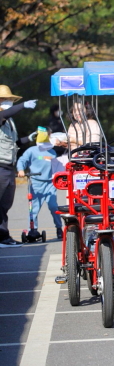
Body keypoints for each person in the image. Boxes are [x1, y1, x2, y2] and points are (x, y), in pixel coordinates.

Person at [0, 86, 39, 248]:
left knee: (4, 205)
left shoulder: (8, 122)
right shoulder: (3, 116)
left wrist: (28, 138)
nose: (8, 102)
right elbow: (3, 114)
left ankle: (3, 236)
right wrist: (23, 106)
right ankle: (2, 238)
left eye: (9, 100)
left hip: (9, 167)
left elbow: (13, 143)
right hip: (0, 166)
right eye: (5, 100)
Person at [18, 132, 65, 239]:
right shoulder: (31, 151)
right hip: (35, 183)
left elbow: (57, 165)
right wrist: (20, 169)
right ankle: (32, 230)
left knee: (53, 207)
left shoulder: (52, 152)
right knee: (33, 209)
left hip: (49, 184)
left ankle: (59, 228)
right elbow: (22, 160)